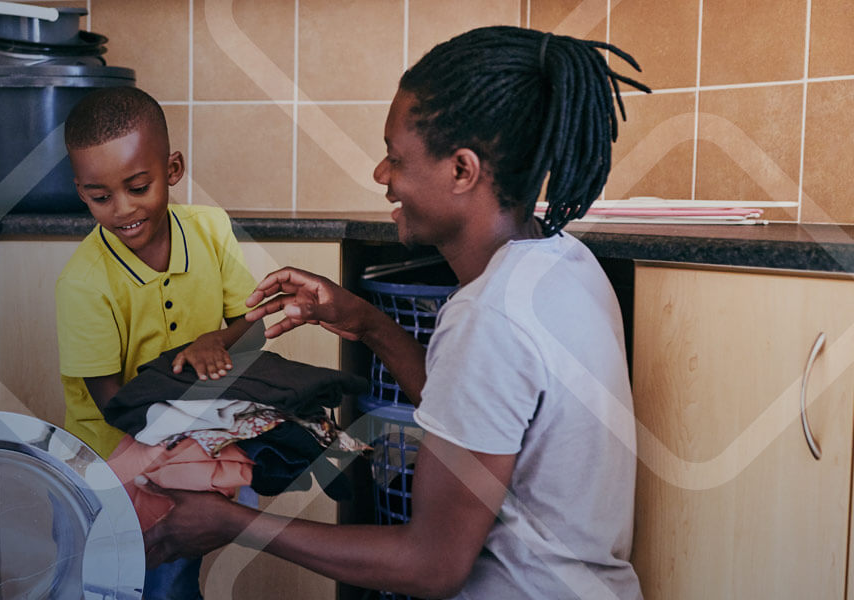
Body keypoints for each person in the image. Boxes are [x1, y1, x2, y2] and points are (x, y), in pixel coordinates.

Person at [139, 26, 651, 599]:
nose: (382, 176)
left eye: (395, 157)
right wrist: (369, 324)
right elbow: (481, 430)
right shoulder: (564, 264)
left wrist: (234, 524)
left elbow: (429, 566)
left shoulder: (488, 316)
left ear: (462, 170)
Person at [54, 85, 265, 599]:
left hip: (186, 442)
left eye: (138, 186)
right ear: (81, 191)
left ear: (172, 170)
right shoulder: (83, 283)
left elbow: (254, 325)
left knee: (172, 577)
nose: (122, 210)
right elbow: (115, 409)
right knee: (123, 580)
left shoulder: (210, 230)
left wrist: (217, 339)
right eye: (100, 197)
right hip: (113, 458)